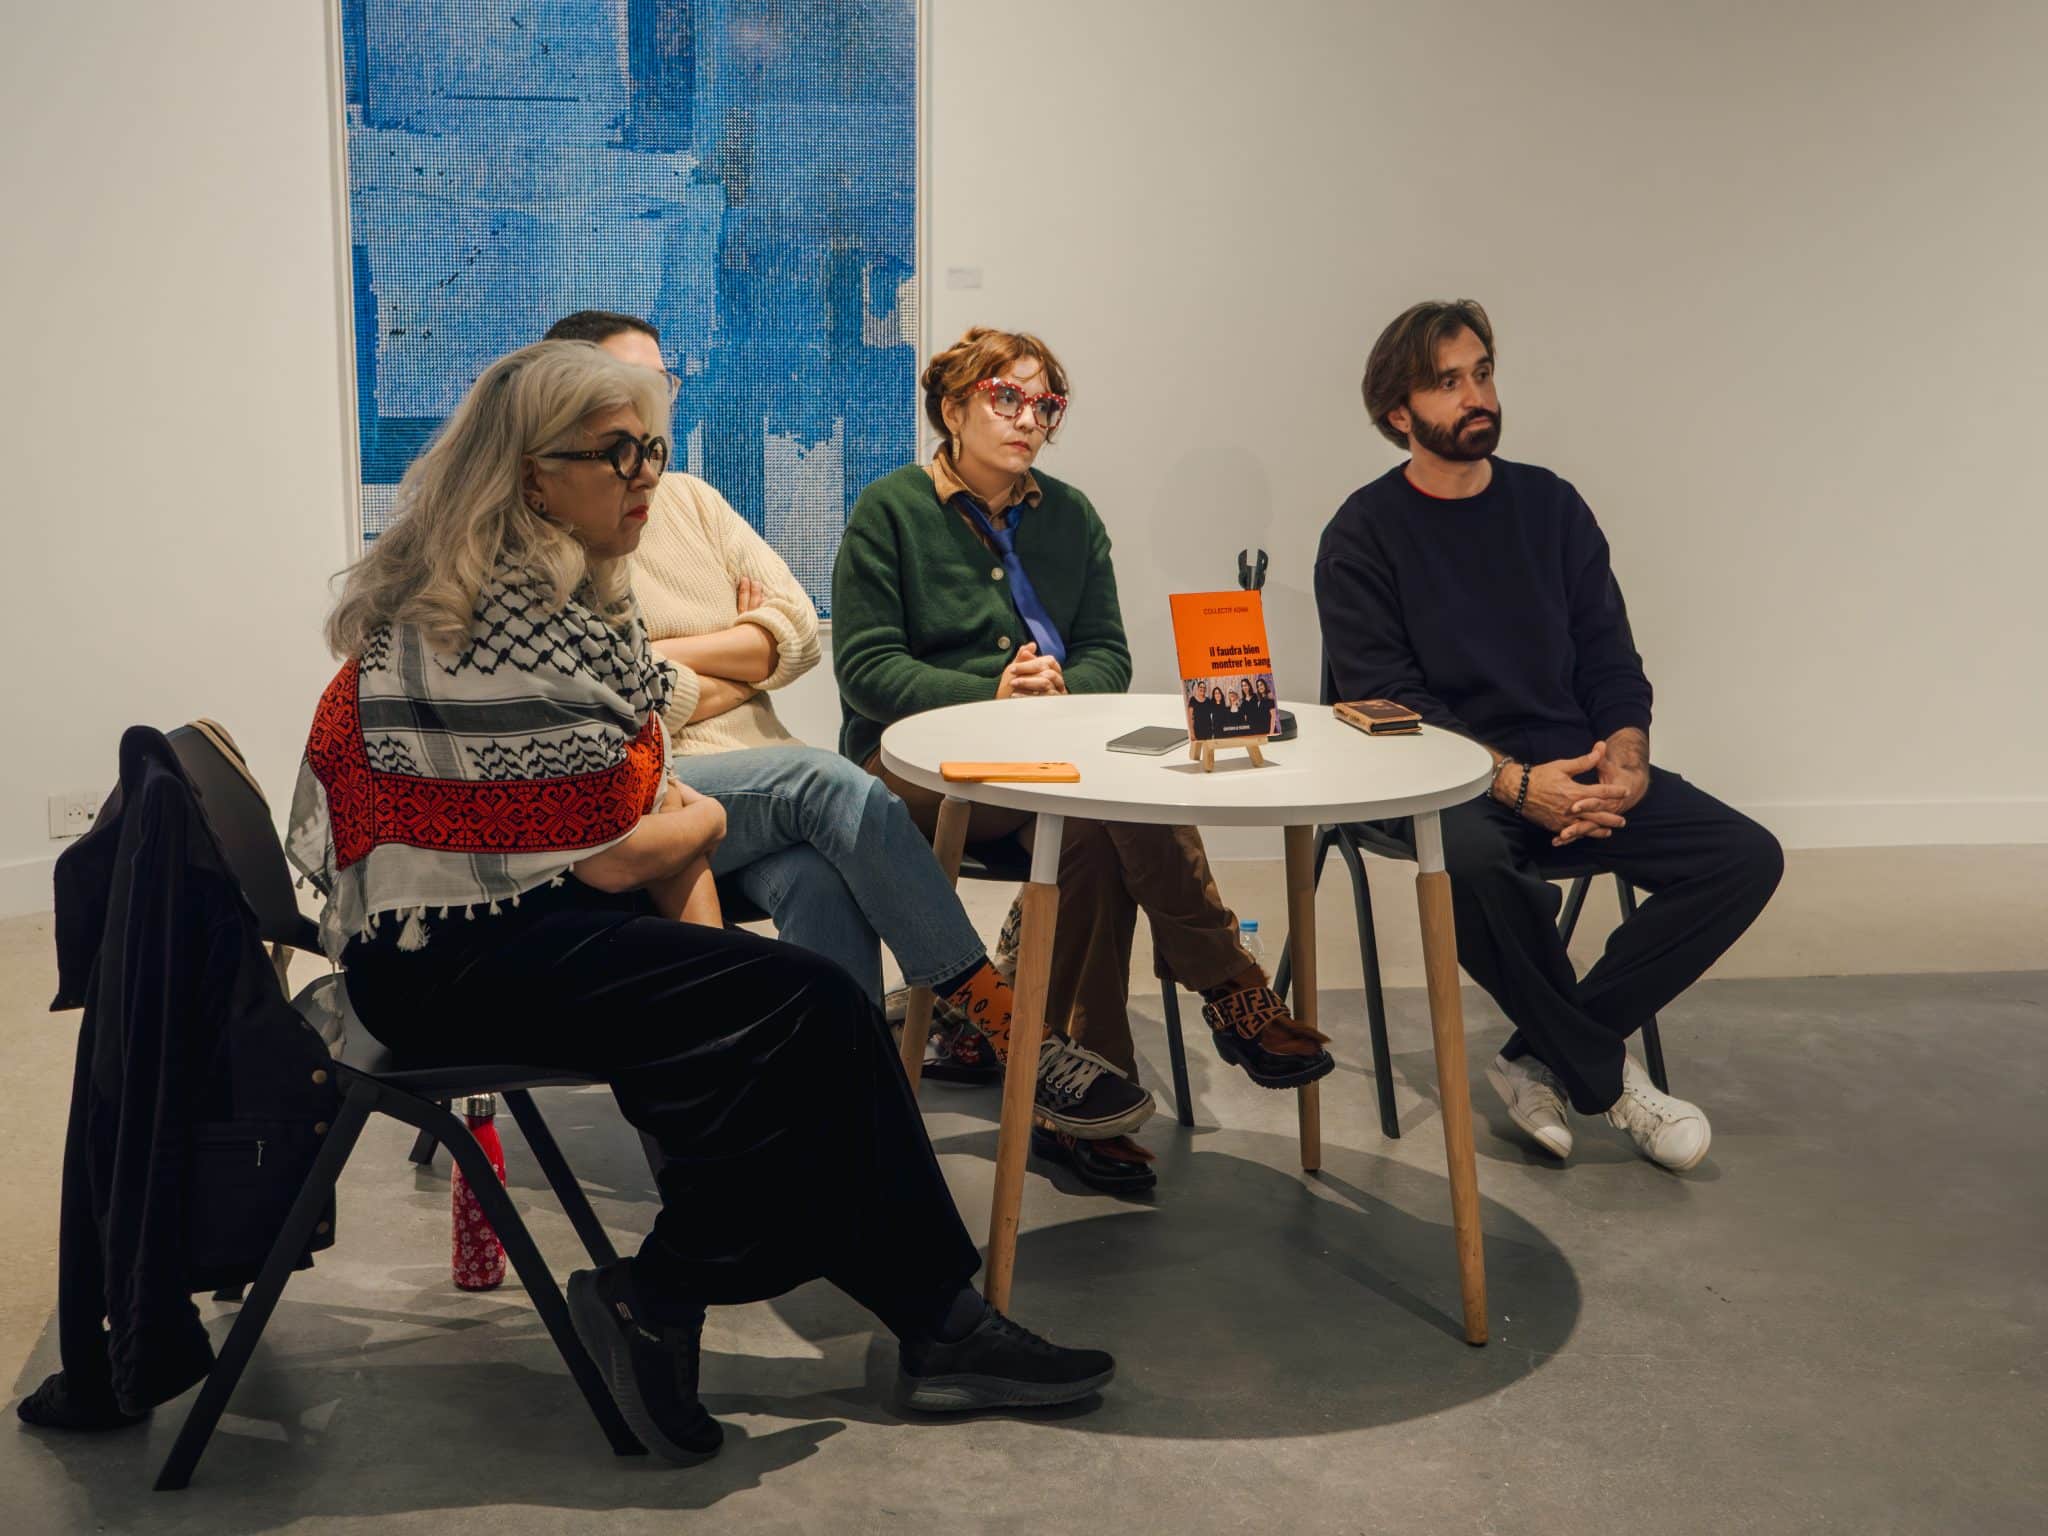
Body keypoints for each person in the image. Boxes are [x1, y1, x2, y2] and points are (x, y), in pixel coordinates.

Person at [289, 340, 1115, 1463]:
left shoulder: (555, 596)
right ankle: (694, 1295)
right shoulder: (496, 623)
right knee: (814, 1014)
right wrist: (703, 817)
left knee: (807, 1017)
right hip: (449, 962)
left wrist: (672, 789)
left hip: (508, 926)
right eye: (616, 454)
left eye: (652, 449)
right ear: (534, 476)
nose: (646, 476)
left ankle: (929, 1320)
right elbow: (621, 851)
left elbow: (700, 692)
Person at [832, 325, 1335, 1195]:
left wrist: (1062, 691)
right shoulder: (892, 509)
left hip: (1052, 764)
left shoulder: (1070, 514)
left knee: (1103, 825)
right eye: (1007, 397)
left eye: (1047, 405)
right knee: (1107, 808)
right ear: (953, 407)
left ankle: (1082, 1102)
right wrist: (991, 691)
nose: (1030, 419)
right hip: (918, 775)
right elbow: (866, 670)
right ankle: (1231, 989)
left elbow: (1109, 653)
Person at [1314, 299, 1783, 1172]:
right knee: (1473, 862)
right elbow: (1388, 701)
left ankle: (1539, 1053)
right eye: (1448, 383)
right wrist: (1516, 784)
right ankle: (1607, 1079)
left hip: (1577, 765)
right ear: (1398, 413)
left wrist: (1625, 761)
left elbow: (1609, 655)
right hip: (1437, 777)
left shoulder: (1551, 506)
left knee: (1743, 858)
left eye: (1483, 373)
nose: (1477, 397)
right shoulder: (1362, 534)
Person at [542, 310, 1008, 1091]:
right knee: (825, 782)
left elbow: (795, 631)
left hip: (753, 778)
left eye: (662, 383)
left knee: (818, 872)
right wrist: (739, 652)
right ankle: (992, 1008)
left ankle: (849, 1097)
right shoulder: (563, 532)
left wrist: (680, 661)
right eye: (633, 386)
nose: (656, 406)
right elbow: (622, 697)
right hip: (658, 788)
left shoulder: (691, 501)